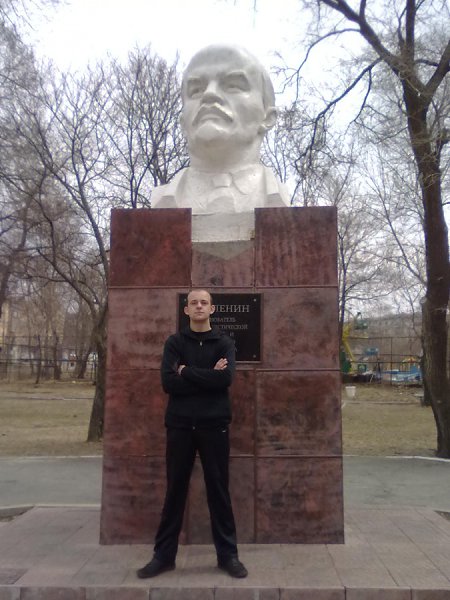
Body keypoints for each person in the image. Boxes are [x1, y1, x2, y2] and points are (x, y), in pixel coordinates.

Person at [137, 289, 248, 579]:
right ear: (186, 310)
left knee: (219, 491)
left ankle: (228, 556)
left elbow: (226, 378)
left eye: (204, 302)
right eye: (194, 303)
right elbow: (168, 383)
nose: (199, 306)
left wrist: (186, 371)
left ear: (212, 309)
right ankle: (163, 557)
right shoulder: (174, 343)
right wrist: (208, 375)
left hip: (214, 425)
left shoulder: (224, 342)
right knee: (175, 491)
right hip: (180, 426)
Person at [152, 44, 289, 218]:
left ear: (267, 117)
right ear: (183, 122)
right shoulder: (162, 200)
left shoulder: (278, 198)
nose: (209, 94)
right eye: (196, 90)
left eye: (233, 86)